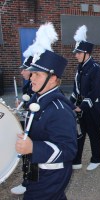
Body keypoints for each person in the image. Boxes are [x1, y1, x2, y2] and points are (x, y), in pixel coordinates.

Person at [15, 22, 77, 200]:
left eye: (38, 75)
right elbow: (37, 128)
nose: (32, 78)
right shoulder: (38, 99)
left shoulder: (59, 110)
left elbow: (68, 149)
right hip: (36, 170)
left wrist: (33, 147)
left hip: (51, 175)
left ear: (53, 79)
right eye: (32, 73)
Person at [70, 25, 100, 171]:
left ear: (86, 53)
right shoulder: (81, 66)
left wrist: (81, 106)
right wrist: (71, 102)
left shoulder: (95, 68)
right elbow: (76, 88)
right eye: (76, 53)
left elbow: (94, 92)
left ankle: (96, 159)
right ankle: (77, 160)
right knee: (79, 133)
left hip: (92, 107)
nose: (76, 55)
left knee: (93, 133)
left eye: (78, 53)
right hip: (80, 106)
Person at [11, 46, 35, 195]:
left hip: (34, 127)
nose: (22, 72)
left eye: (24, 69)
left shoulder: (36, 87)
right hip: (28, 122)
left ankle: (29, 183)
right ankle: (28, 181)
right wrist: (21, 105)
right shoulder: (28, 87)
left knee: (30, 155)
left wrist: (25, 105)